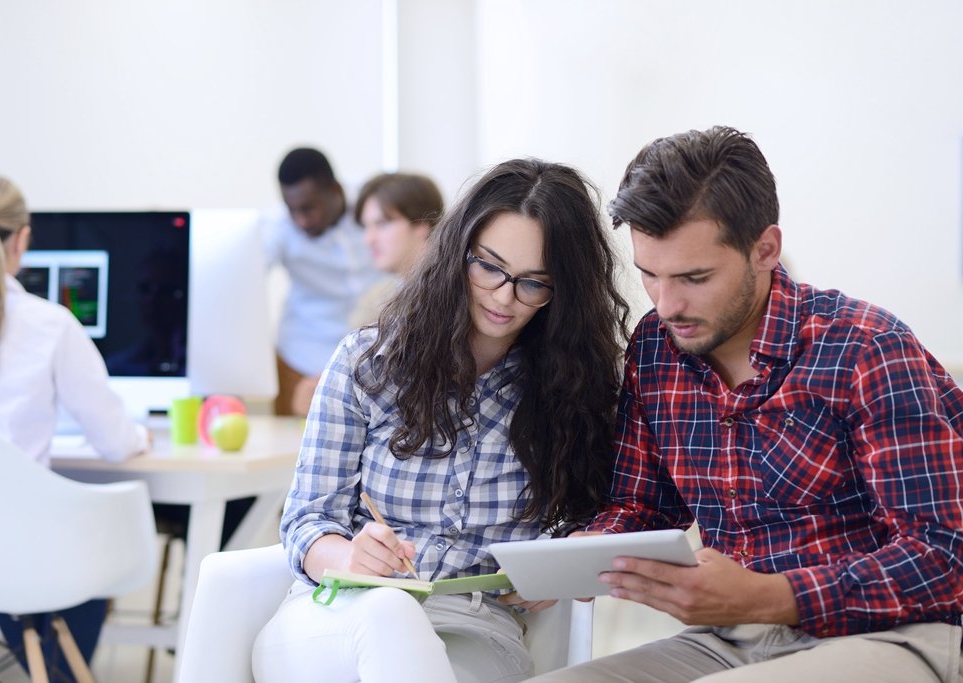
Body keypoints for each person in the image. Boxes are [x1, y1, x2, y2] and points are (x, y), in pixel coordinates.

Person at [530, 126, 963, 683]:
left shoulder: (867, 349)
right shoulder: (656, 347)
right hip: (729, 643)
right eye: (649, 274)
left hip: (894, 636)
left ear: (765, 249)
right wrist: (584, 551)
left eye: (694, 277)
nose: (666, 304)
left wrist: (768, 597)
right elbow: (643, 507)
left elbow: (945, 559)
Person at [251, 158, 631, 683]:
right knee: (388, 611)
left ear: (563, 291)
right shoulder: (369, 364)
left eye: (533, 283)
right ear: (456, 253)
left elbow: (601, 519)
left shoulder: (576, 389)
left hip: (475, 628)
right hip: (337, 612)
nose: (503, 295)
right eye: (489, 267)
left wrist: (559, 563)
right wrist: (350, 556)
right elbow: (305, 521)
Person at [0, 173, 149, 679]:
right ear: (24, 240)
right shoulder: (51, 325)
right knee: (78, 564)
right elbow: (116, 443)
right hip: (21, 561)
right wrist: (141, 434)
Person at [262, 147, 382, 416]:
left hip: (374, 362)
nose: (301, 220)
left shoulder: (373, 203)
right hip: (301, 361)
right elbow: (244, 280)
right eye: (292, 210)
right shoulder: (276, 228)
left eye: (308, 208)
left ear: (335, 190)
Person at [348, 171, 444, 328]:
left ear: (422, 222)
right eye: (366, 227)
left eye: (381, 224)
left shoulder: (456, 293)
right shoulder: (375, 301)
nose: (368, 239)